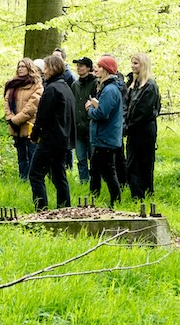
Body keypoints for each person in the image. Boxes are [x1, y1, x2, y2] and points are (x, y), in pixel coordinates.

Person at [30, 53, 75, 210]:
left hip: (50, 139)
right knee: (58, 175)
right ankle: (65, 208)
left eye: (46, 68)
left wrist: (35, 134)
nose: (44, 71)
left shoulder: (52, 89)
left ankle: (41, 209)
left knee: (35, 174)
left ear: (53, 68)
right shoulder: (66, 88)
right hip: (63, 139)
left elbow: (42, 116)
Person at [85, 55, 126, 206]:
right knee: (95, 169)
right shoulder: (108, 88)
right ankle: (92, 200)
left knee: (108, 172)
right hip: (103, 137)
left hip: (106, 138)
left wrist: (89, 109)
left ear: (107, 70)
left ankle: (116, 202)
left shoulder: (109, 90)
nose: (96, 69)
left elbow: (102, 114)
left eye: (100, 67)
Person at [124, 52, 161, 199]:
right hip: (133, 130)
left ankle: (144, 194)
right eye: (132, 63)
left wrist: (128, 126)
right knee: (132, 164)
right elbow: (126, 106)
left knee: (144, 163)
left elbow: (143, 112)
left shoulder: (150, 86)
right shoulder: (134, 85)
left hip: (144, 131)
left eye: (136, 63)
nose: (132, 66)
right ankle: (137, 195)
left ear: (143, 65)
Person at [2, 58, 42, 182]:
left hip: (29, 125)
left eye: (23, 66)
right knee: (21, 154)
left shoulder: (36, 85)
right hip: (15, 126)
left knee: (32, 153)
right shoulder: (13, 84)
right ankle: (23, 178)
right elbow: (6, 102)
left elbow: (32, 106)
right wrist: (10, 118)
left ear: (29, 68)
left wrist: (16, 119)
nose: (20, 69)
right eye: (19, 66)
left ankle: (32, 178)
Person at [72, 56, 98, 186]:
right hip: (78, 128)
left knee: (94, 158)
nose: (78, 68)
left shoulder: (96, 83)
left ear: (88, 68)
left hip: (91, 127)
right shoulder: (75, 85)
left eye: (81, 65)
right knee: (81, 158)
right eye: (77, 66)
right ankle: (83, 182)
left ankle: (95, 182)